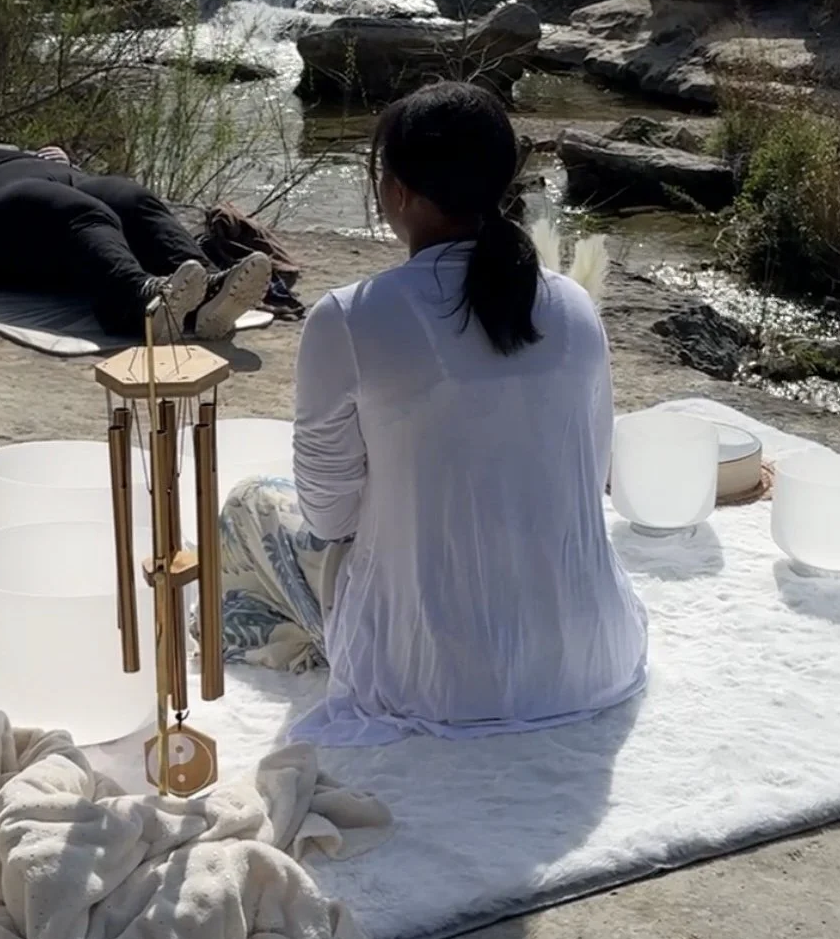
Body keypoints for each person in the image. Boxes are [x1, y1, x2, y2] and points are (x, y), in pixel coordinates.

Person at [220, 80, 648, 744]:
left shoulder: (350, 318)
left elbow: (329, 517)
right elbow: (589, 478)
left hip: (427, 678)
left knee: (253, 503)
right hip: (589, 659)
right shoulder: (572, 305)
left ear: (396, 192)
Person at [0, 142, 274, 339]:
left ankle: (211, 289)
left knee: (132, 198)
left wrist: (48, 157)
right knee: (80, 214)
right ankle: (138, 303)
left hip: (60, 180)